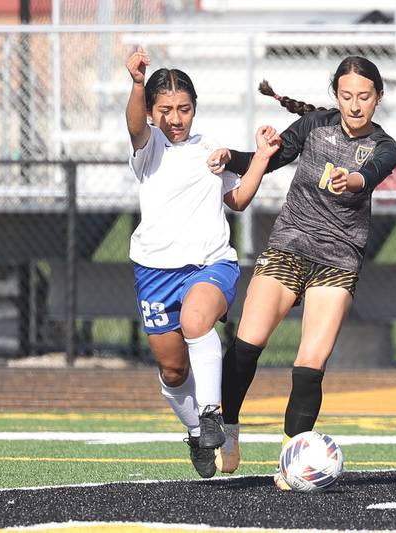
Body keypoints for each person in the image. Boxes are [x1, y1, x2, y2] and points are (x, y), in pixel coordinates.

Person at [207, 56, 396, 489]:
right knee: (245, 345)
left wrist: (352, 180)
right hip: (290, 247)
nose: (355, 105)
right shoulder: (314, 125)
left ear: (378, 98)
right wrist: (231, 157)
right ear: (336, 95)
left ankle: (291, 461)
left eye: (364, 97)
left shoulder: (385, 146)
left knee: (310, 362)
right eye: (347, 96)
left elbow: (368, 174)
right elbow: (271, 159)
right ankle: (230, 431)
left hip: (338, 260)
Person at [125, 47, 280, 479]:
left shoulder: (212, 149)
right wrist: (137, 84)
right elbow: (134, 125)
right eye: (167, 110)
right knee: (173, 371)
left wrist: (261, 157)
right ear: (154, 113)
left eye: (185, 109)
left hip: (211, 264)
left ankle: (213, 413)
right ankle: (197, 430)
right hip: (154, 272)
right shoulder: (148, 146)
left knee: (197, 320)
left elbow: (239, 199)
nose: (177, 118)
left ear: (195, 108)